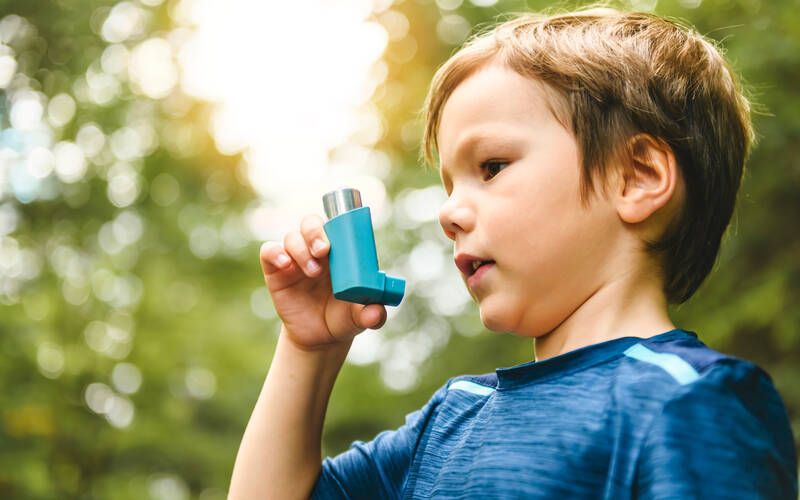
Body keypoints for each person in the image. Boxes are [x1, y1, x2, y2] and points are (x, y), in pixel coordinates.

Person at [228, 7, 797, 499]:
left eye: (492, 167)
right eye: (449, 186)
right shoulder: (450, 419)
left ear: (636, 177)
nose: (449, 213)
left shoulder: (693, 401)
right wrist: (309, 348)